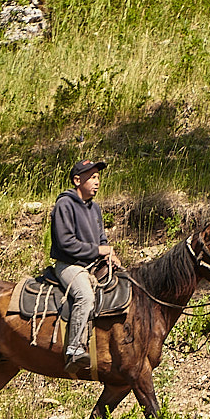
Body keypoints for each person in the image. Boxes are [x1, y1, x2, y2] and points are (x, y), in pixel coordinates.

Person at [50, 159, 120, 371]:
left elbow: (101, 239)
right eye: (91, 177)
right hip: (69, 265)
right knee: (85, 295)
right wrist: (98, 251)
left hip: (93, 264)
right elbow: (65, 242)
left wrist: (110, 254)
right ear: (77, 180)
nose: (96, 182)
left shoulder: (95, 208)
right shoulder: (65, 204)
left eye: (98, 177)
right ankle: (75, 350)